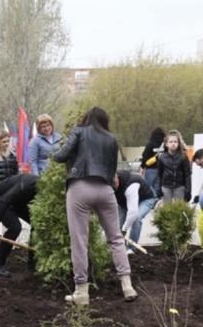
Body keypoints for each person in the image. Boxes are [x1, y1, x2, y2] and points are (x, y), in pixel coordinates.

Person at [52, 106, 136, 305]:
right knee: (116, 238)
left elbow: (61, 156)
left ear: (86, 118)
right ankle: (127, 285)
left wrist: (55, 151)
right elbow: (112, 170)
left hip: (79, 188)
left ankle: (81, 292)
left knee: (79, 240)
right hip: (105, 191)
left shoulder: (79, 131)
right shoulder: (111, 138)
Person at [0, 173, 38, 276]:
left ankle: (32, 263)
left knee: (37, 223)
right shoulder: (27, 185)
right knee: (15, 227)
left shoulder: (43, 192)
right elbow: (3, 201)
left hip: (17, 202)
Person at [113, 170, 158, 253]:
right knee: (118, 224)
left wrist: (124, 229)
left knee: (136, 218)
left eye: (114, 183)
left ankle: (131, 248)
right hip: (124, 202)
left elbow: (132, 212)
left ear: (117, 178)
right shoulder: (109, 186)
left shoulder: (131, 186)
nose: (114, 187)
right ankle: (119, 248)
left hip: (146, 198)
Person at [157, 129, 192, 202]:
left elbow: (187, 175)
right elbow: (159, 174)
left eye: (175, 142)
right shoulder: (162, 157)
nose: (173, 143)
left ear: (178, 143)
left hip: (179, 187)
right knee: (167, 209)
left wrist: (188, 190)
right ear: (166, 144)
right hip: (166, 187)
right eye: (171, 142)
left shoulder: (183, 157)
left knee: (179, 209)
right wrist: (158, 188)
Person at [139, 127, 165, 196]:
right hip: (161, 169)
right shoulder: (164, 145)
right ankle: (156, 201)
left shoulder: (150, 144)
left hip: (150, 169)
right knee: (157, 188)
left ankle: (150, 200)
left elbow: (145, 156)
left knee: (149, 187)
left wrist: (142, 166)